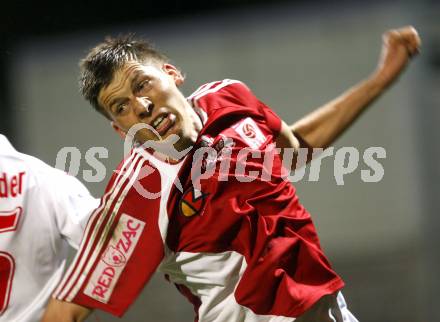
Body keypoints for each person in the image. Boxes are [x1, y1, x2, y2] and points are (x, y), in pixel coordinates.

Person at [42, 26, 420, 322]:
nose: (140, 105)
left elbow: (293, 152)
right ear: (121, 130)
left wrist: (381, 79)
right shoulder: (142, 188)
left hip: (327, 306)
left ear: (172, 74)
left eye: (142, 84)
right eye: (120, 106)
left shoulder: (230, 98)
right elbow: (67, 309)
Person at [0, 134, 99, 322]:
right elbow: (122, 242)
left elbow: (119, 242)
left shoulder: (45, 182)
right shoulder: (44, 180)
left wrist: (64, 312)